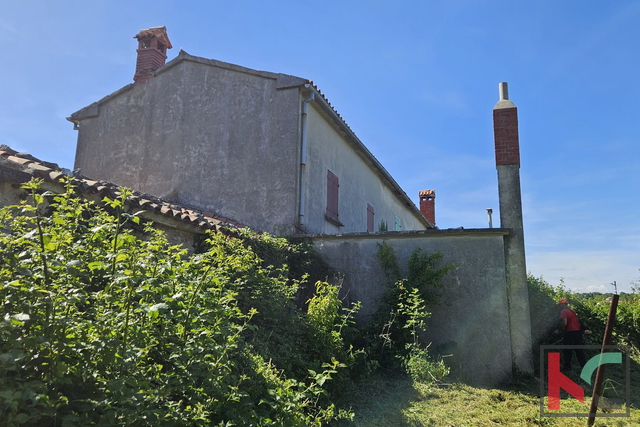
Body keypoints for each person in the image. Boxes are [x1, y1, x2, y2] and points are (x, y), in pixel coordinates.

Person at [554, 298, 587, 371]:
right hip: (578, 333)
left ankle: (567, 367)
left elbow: (564, 323)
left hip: (570, 333)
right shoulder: (572, 311)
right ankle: (585, 367)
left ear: (563, 304)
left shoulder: (563, 311)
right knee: (579, 351)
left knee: (567, 351)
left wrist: (558, 330)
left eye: (560, 304)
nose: (559, 306)